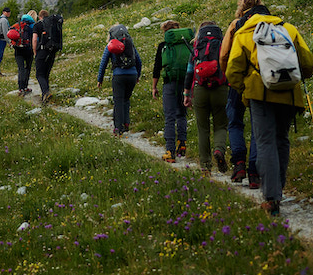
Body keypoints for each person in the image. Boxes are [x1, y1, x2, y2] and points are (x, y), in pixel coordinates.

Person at [226, 3, 313, 217]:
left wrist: (245, 90)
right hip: (290, 92)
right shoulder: (288, 29)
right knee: (281, 139)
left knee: (265, 141)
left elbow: (233, 70)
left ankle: (272, 197)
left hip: (259, 94)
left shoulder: (244, 33)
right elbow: (308, 63)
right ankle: (279, 189)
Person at [220, 0, 269, 188]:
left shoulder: (236, 24)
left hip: (238, 80)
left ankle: (239, 164)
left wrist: (228, 77)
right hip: (264, 79)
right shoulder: (270, 22)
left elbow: (224, 55)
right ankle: (255, 172)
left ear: (241, 7)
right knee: (258, 124)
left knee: (235, 122)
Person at [184, 21, 229, 176]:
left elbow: (190, 71)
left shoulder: (197, 46)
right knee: (221, 125)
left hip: (200, 89)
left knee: (203, 129)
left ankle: (205, 166)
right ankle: (219, 149)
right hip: (221, 89)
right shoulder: (223, 44)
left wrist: (186, 94)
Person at [151, 20, 193, 163]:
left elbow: (157, 67)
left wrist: (154, 87)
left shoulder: (164, 46)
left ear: (166, 32)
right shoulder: (187, 44)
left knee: (170, 116)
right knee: (182, 113)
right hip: (186, 81)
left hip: (169, 82)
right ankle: (182, 143)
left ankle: (170, 151)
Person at [97, 24, 143, 136]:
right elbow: (139, 61)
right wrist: (137, 76)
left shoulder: (111, 45)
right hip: (132, 75)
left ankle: (118, 128)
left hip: (119, 76)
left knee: (118, 101)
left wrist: (100, 79)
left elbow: (103, 63)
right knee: (126, 99)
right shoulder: (130, 44)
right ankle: (126, 123)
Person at [33, 9, 58, 103]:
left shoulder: (38, 25)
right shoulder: (53, 24)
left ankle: (46, 92)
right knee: (46, 73)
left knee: (39, 74)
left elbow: (35, 39)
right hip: (52, 51)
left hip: (42, 51)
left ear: (40, 17)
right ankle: (45, 95)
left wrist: (35, 51)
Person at [10, 13, 35, 95]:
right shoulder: (31, 27)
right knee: (27, 68)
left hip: (18, 50)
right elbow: (35, 39)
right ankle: (25, 86)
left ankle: (20, 88)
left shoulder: (18, 26)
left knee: (20, 69)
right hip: (28, 50)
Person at [0, 8, 11, 76]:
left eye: (9, 12)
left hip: (0, 40)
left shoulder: (1, 19)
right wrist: (9, 42)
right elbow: (5, 32)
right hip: (2, 40)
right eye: (7, 12)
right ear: (3, 12)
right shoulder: (3, 20)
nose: (9, 13)